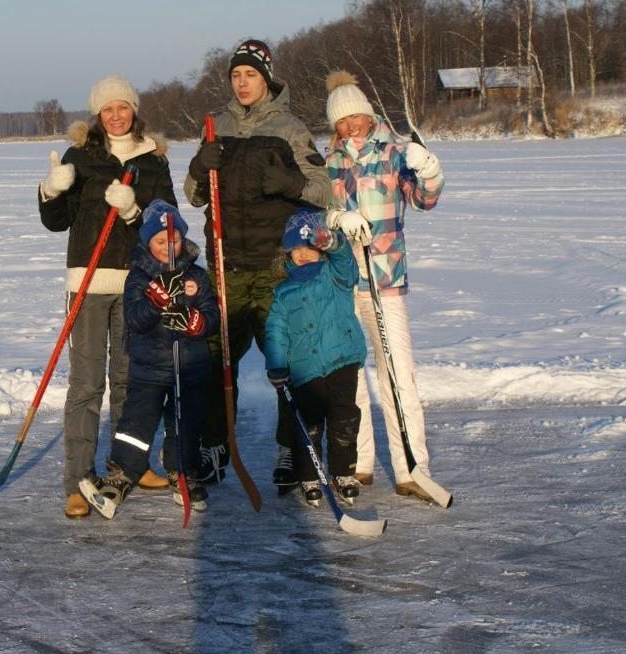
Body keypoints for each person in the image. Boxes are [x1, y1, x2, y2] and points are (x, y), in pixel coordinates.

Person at [183, 38, 332, 489]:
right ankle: (214, 447)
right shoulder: (216, 126)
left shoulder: (290, 129)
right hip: (225, 264)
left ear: (266, 79)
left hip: (273, 267)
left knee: (285, 363)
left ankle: (291, 450)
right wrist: (196, 165)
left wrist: (290, 183)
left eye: (250, 75)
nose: (242, 83)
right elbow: (194, 196)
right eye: (236, 75)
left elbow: (323, 192)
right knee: (213, 362)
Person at [39, 74, 178, 518]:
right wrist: (52, 190)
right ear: (97, 115)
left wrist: (135, 211)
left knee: (128, 379)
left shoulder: (153, 159)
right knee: (85, 383)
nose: (116, 115)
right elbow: (56, 222)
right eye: (107, 109)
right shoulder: (82, 156)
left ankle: (127, 467)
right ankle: (78, 480)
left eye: (123, 107)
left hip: (135, 283)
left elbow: (170, 227)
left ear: (135, 110)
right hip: (89, 282)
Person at [323, 70, 445, 501]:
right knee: (350, 377)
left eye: (356, 116)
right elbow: (316, 219)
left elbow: (425, 199)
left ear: (368, 114)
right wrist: (336, 218)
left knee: (397, 374)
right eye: (342, 121)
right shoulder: (330, 163)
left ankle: (412, 466)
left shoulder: (394, 151)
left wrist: (429, 168)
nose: (351, 126)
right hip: (341, 282)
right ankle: (359, 461)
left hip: (385, 279)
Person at [80, 200, 220, 519]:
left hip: (190, 368)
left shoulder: (196, 275)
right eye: (160, 241)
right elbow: (135, 320)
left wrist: (196, 321)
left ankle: (181, 473)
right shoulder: (139, 278)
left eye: (174, 239)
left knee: (185, 425)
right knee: (136, 424)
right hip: (148, 368)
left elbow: (212, 316)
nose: (168, 246)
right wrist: (154, 302)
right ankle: (121, 475)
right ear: (147, 241)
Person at [264, 208, 368, 505]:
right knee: (308, 424)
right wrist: (276, 365)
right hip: (305, 369)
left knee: (344, 418)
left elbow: (347, 263)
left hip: (341, 360)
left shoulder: (335, 275)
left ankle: (343, 471)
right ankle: (309, 475)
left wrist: (332, 241)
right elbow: (275, 331)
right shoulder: (284, 292)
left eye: (310, 247)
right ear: (288, 253)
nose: (304, 254)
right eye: (297, 249)